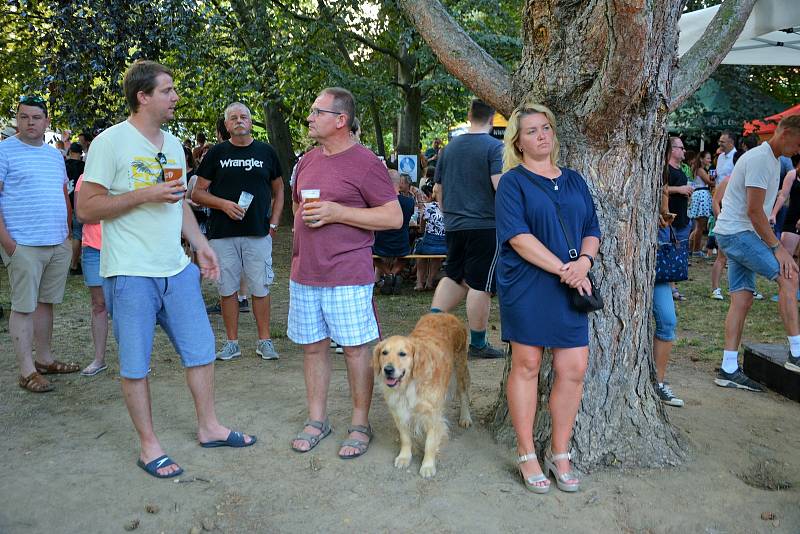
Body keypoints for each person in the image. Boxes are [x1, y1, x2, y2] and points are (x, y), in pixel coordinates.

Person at [78, 60, 255, 479]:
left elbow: (176, 204)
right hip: (129, 272)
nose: (176, 97)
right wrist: (144, 195)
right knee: (136, 364)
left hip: (176, 270)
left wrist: (201, 245)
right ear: (143, 96)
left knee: (202, 350)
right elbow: (86, 208)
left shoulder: (173, 145)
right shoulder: (110, 143)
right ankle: (149, 446)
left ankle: (209, 427)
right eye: (168, 90)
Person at [288, 87, 401, 459]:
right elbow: (297, 206)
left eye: (316, 112)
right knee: (313, 348)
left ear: (341, 120)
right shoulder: (306, 160)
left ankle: (359, 423)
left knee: (355, 351)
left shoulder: (367, 163)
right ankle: (317, 420)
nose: (310, 118)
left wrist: (339, 213)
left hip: (348, 274)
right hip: (306, 272)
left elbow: (393, 217)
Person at [495, 102, 600, 493]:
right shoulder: (512, 182)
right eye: (531, 131)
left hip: (573, 282)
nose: (541, 136)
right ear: (518, 142)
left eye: (546, 128)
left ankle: (560, 452)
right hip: (528, 284)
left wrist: (584, 264)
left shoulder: (573, 180)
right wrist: (565, 271)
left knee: (573, 367)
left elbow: (592, 226)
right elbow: (518, 238)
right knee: (527, 364)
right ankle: (526, 453)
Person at [712, 114, 800, 389]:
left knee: (742, 299)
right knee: (788, 277)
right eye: (798, 143)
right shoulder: (762, 159)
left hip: (733, 234)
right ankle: (797, 353)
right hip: (739, 234)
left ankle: (728, 368)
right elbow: (753, 211)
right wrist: (778, 249)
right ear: (784, 133)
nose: (799, 150)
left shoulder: (772, 160)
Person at [192, 102, 284, 361]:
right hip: (223, 233)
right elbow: (196, 192)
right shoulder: (217, 153)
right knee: (227, 289)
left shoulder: (266, 151)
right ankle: (231, 343)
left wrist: (274, 224)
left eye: (244, 116)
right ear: (227, 125)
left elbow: (279, 191)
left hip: (258, 232)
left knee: (260, 288)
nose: (239, 120)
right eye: (233, 118)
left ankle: (264, 341)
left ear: (251, 121)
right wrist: (223, 204)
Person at [0, 95, 78, 393]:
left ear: (47, 122)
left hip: (56, 241)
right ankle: (26, 371)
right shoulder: (4, 152)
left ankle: (45, 360)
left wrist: (67, 234)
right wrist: (8, 243)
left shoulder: (53, 155)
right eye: (23, 116)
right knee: (23, 307)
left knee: (46, 304)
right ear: (16, 119)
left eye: (36, 117)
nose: (29, 122)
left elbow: (62, 195)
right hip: (23, 244)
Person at [431, 98, 504, 358]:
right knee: (480, 284)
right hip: (485, 224)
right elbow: (500, 186)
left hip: (453, 224)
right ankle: (479, 344)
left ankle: (430, 330)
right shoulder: (495, 147)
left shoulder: (448, 149)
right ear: (493, 118)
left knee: (454, 276)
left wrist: (447, 214)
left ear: (469, 115)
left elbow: (437, 189)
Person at [652, 148, 685, 407]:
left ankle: (658, 383)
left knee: (667, 320)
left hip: (657, 262)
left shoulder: (660, 174)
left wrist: (664, 217)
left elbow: (664, 213)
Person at [74, 175, 109, 376]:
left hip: (122, 247)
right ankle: (99, 359)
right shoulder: (84, 178)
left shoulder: (121, 172)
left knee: (126, 304)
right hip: (94, 249)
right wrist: (115, 209)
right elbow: (82, 214)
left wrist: (99, 210)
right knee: (98, 304)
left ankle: (133, 361)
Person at [373, 169, 414, 294]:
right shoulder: (409, 202)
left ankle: (388, 274)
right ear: (399, 183)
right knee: (406, 255)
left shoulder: (378, 202)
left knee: (368, 251)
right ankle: (394, 273)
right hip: (402, 245)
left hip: (381, 246)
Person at [665, 137, 693, 301]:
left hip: (682, 218)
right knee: (669, 253)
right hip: (670, 219)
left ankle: (673, 287)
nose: (684, 151)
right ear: (672, 149)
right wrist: (679, 189)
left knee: (678, 254)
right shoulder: (665, 169)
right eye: (681, 148)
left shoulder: (681, 169)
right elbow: (660, 189)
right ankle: (670, 288)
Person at [414, 183, 447, 291]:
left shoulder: (429, 207)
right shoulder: (451, 208)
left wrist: (422, 231)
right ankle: (429, 282)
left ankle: (419, 282)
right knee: (436, 255)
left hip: (429, 245)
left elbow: (422, 227)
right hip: (444, 246)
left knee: (419, 249)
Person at [687, 151, 713, 256]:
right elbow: (709, 182)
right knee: (699, 226)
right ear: (701, 159)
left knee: (698, 226)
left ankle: (690, 248)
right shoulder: (701, 170)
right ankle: (696, 250)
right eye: (708, 158)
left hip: (698, 195)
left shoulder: (696, 169)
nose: (709, 160)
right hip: (702, 196)